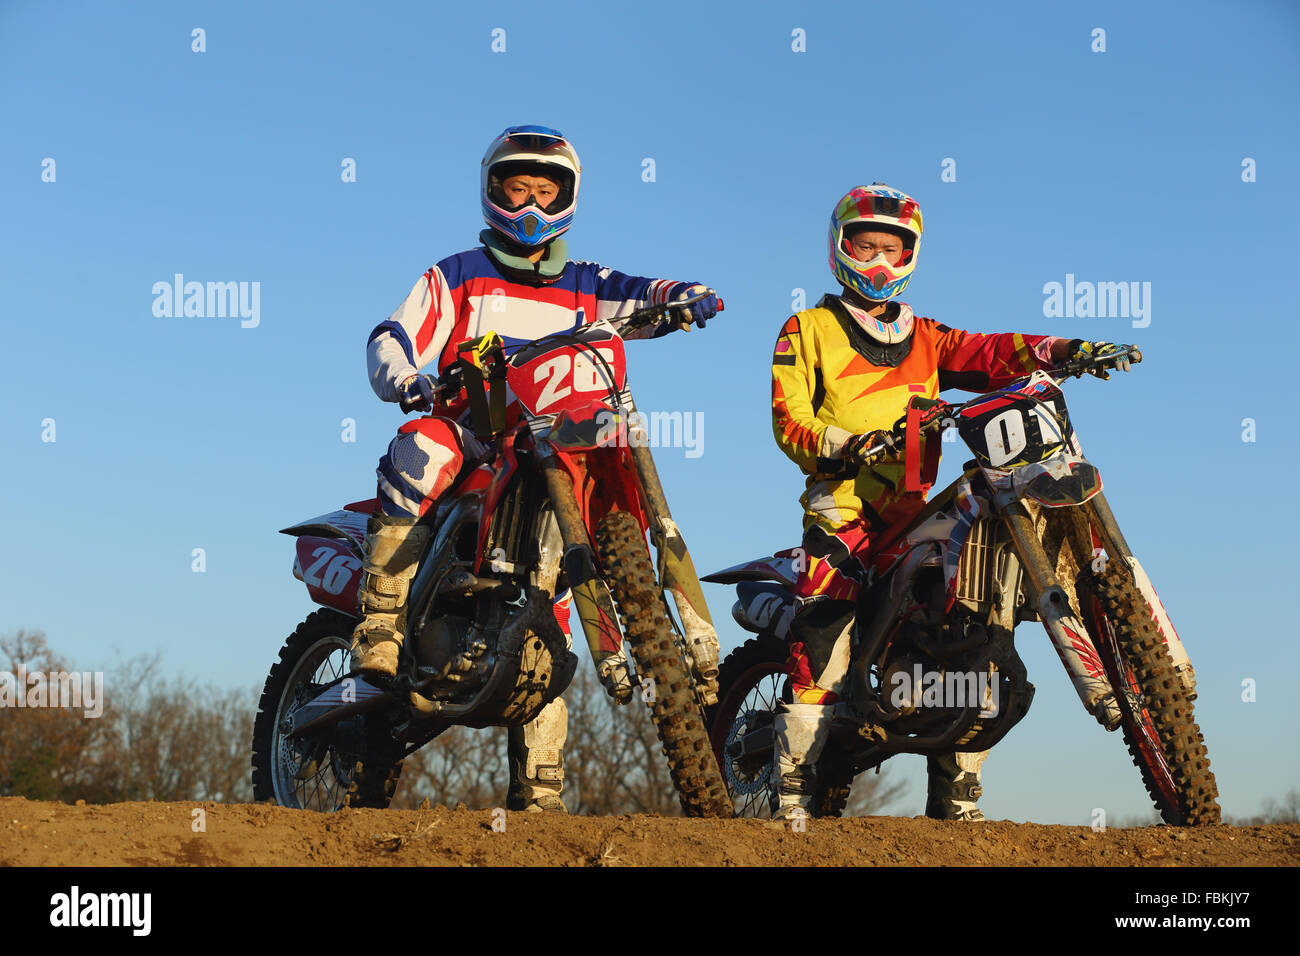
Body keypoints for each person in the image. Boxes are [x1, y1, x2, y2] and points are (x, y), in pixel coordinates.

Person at [355, 125, 720, 811]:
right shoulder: (458, 273)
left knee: (547, 595)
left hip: (557, 441)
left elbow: (644, 291)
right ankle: (380, 618)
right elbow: (393, 333)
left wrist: (687, 295)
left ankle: (542, 790)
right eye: (517, 187)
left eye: (544, 190)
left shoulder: (587, 284)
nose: (530, 203)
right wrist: (407, 377)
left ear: (568, 197)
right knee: (422, 446)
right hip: (478, 433)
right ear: (494, 191)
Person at [769, 183, 1133, 821]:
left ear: (911, 253)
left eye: (892, 247)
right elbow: (789, 421)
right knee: (825, 623)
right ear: (840, 248)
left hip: (920, 504)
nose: (879, 260)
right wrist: (850, 443)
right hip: (846, 505)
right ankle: (792, 786)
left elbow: (992, 352)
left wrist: (1066, 351)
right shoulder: (808, 327)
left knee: (966, 626)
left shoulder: (927, 335)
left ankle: (958, 793)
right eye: (866, 245)